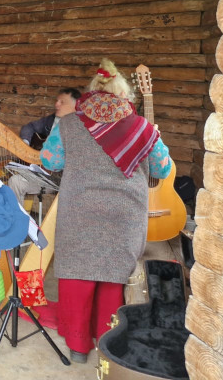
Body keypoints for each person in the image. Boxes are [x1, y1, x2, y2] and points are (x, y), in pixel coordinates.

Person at [40, 59, 172, 363]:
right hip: (125, 216)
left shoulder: (68, 124)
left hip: (80, 212)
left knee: (77, 275)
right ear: (124, 95)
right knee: (113, 278)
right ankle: (107, 342)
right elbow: (162, 169)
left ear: (92, 93)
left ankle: (77, 346)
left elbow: (49, 160)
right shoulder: (143, 129)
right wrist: (155, 136)